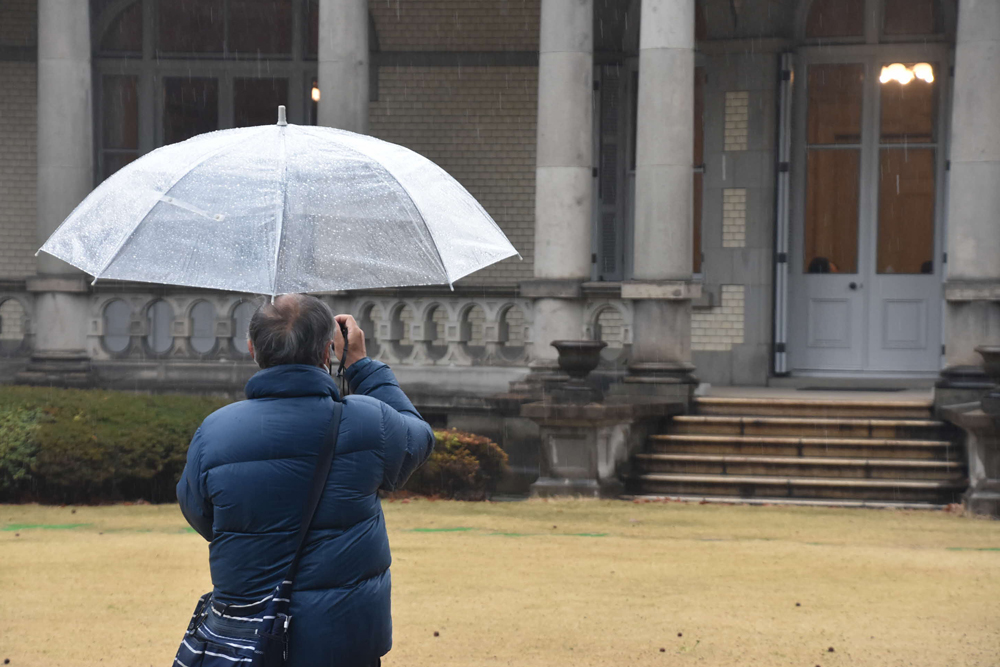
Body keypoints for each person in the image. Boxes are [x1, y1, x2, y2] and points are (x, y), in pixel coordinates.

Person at [177, 294, 435, 667]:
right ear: (328, 351)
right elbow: (420, 440)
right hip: (345, 638)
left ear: (252, 349)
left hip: (247, 636)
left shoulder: (215, 430)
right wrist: (361, 366)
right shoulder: (367, 422)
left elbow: (201, 515)